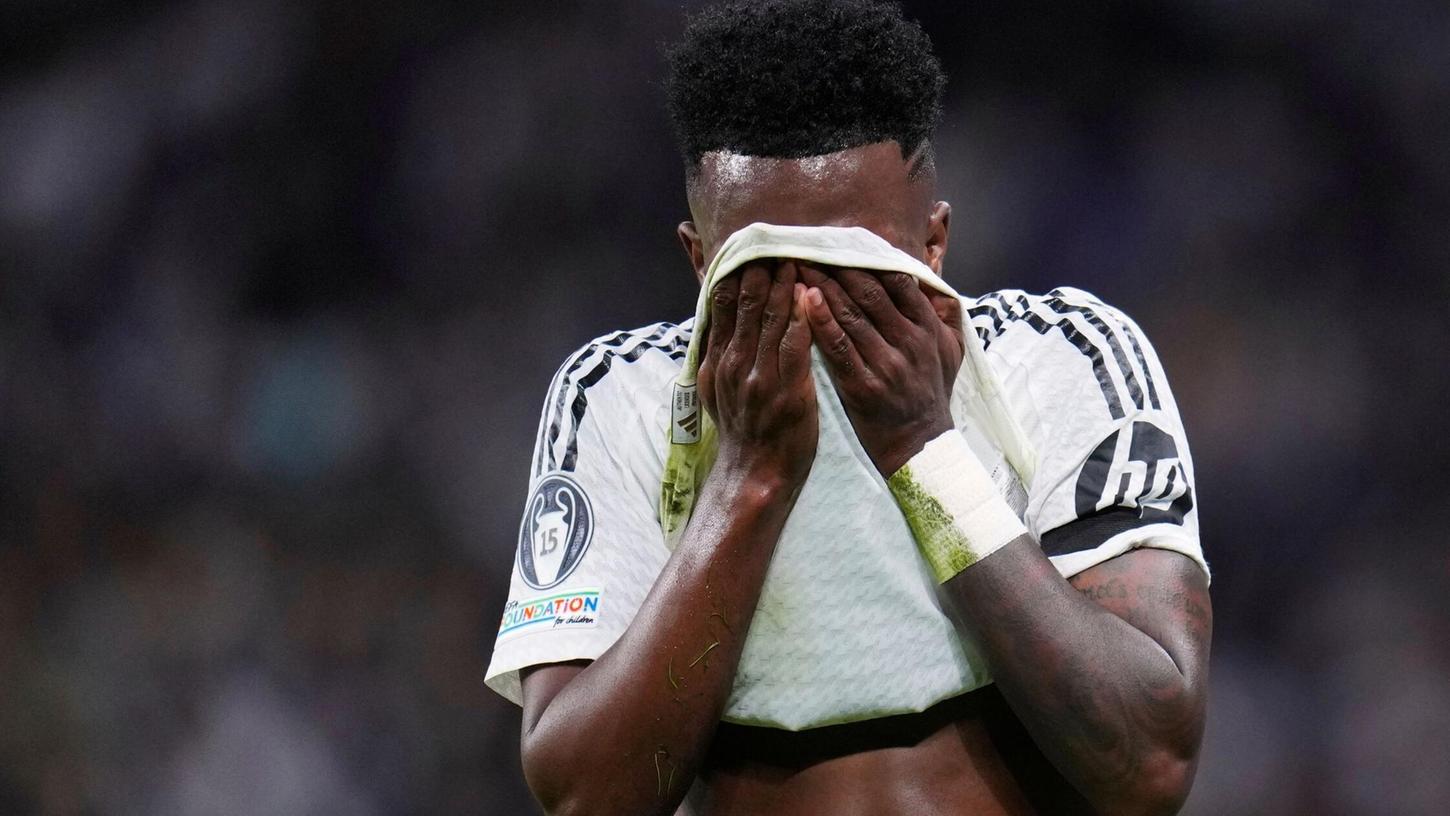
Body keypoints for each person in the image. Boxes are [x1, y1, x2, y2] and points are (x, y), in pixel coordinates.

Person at [485, 1, 1212, 813]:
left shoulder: (1062, 357)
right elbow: (587, 799)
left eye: (852, 268)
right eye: (765, 271)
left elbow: (1148, 762)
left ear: (933, 242)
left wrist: (923, 448)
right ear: (699, 260)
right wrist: (748, 479)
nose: (810, 307)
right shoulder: (620, 396)